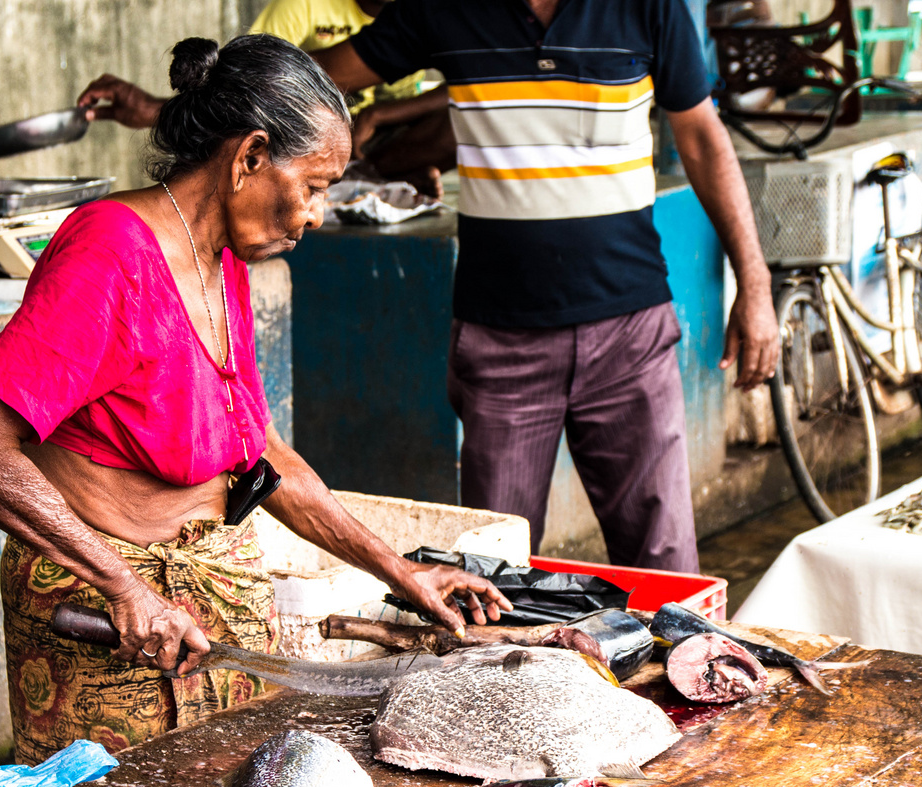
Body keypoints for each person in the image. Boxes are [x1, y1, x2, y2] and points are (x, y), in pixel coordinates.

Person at [0, 33, 507, 787]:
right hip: (98, 616)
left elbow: (259, 455)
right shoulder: (110, 252)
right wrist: (122, 585)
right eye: (312, 184)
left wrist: (403, 572)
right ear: (249, 156)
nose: (317, 211)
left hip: (185, 608)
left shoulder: (221, 262)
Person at [312, 0, 782, 572]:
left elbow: (703, 137)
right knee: (495, 575)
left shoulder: (651, 6)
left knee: (665, 569)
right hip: (501, 340)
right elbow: (314, 72)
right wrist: (186, 105)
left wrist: (754, 285)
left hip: (630, 335)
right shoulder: (443, 9)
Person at [77, 0, 455, 193]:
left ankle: (382, 176)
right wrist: (159, 110)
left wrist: (382, 115)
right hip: (309, 144)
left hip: (377, 143)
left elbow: (469, 87)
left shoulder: (433, 13)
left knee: (461, 122)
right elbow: (254, 84)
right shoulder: (309, 9)